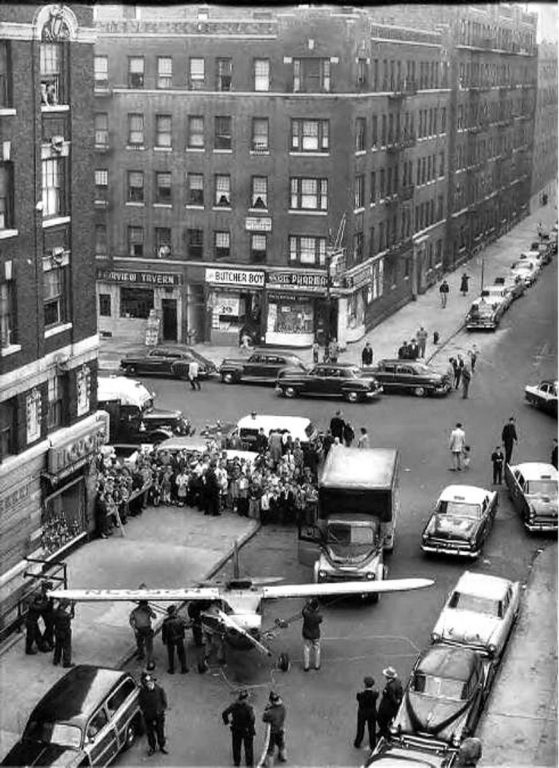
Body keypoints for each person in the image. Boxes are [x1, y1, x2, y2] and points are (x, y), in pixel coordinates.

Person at [222, 689, 256, 768]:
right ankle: (249, 765)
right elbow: (252, 719)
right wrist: (250, 727)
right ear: (245, 698)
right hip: (247, 730)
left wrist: (227, 722)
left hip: (236, 729)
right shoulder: (248, 708)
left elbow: (224, 713)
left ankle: (237, 763)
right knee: (248, 748)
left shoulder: (233, 706)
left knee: (236, 747)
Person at [138, 673, 169, 756]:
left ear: (153, 682)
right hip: (148, 716)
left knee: (160, 731)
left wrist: (160, 711)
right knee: (150, 732)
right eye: (148, 684)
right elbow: (140, 703)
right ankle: (152, 747)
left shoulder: (159, 690)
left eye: (151, 683)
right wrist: (144, 711)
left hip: (158, 715)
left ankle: (162, 746)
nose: (149, 685)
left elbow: (164, 703)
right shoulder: (142, 692)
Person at [376, 667, 403, 741]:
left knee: (381, 720)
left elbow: (392, 698)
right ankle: (382, 732)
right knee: (388, 720)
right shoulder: (398, 681)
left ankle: (385, 734)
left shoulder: (390, 687)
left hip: (387, 707)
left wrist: (395, 701)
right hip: (393, 708)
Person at [130, 599, 157, 670]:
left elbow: (154, 617)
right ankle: (142, 655)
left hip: (144, 629)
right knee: (141, 644)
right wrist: (134, 628)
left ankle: (148, 660)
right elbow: (132, 620)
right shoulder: (136, 611)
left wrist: (150, 612)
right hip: (141, 629)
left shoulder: (146, 610)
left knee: (148, 645)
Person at [161, 605, 189, 675]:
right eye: (176, 610)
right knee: (181, 653)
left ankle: (171, 669)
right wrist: (191, 622)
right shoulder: (179, 620)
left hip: (170, 639)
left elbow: (164, 633)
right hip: (179, 638)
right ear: (174, 612)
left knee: (171, 654)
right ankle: (184, 668)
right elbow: (186, 626)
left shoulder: (165, 621)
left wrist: (164, 640)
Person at [354, 676, 379, 750]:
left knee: (360, 728)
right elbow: (377, 694)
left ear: (365, 684)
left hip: (362, 713)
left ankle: (358, 742)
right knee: (372, 728)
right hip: (372, 712)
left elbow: (358, 698)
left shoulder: (361, 694)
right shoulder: (375, 694)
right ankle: (373, 744)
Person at [262, 691, 287, 766]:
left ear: (271, 700)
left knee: (270, 749)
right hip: (281, 728)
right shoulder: (283, 707)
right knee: (281, 743)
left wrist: (266, 710)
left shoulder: (270, 712)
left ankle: (269, 764)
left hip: (272, 732)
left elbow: (264, 718)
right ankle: (283, 756)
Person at [52, 599, 75, 668]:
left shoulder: (55, 612)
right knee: (66, 647)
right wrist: (72, 607)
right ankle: (66, 663)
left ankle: (56, 660)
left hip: (57, 631)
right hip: (65, 632)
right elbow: (72, 615)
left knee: (58, 646)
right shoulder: (65, 615)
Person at [302, 597, 322, 671]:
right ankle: (317, 665)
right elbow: (320, 620)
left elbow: (303, 611)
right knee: (317, 649)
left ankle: (306, 666)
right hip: (315, 635)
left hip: (306, 634)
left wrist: (307, 604)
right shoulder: (318, 615)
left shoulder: (306, 613)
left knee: (306, 649)